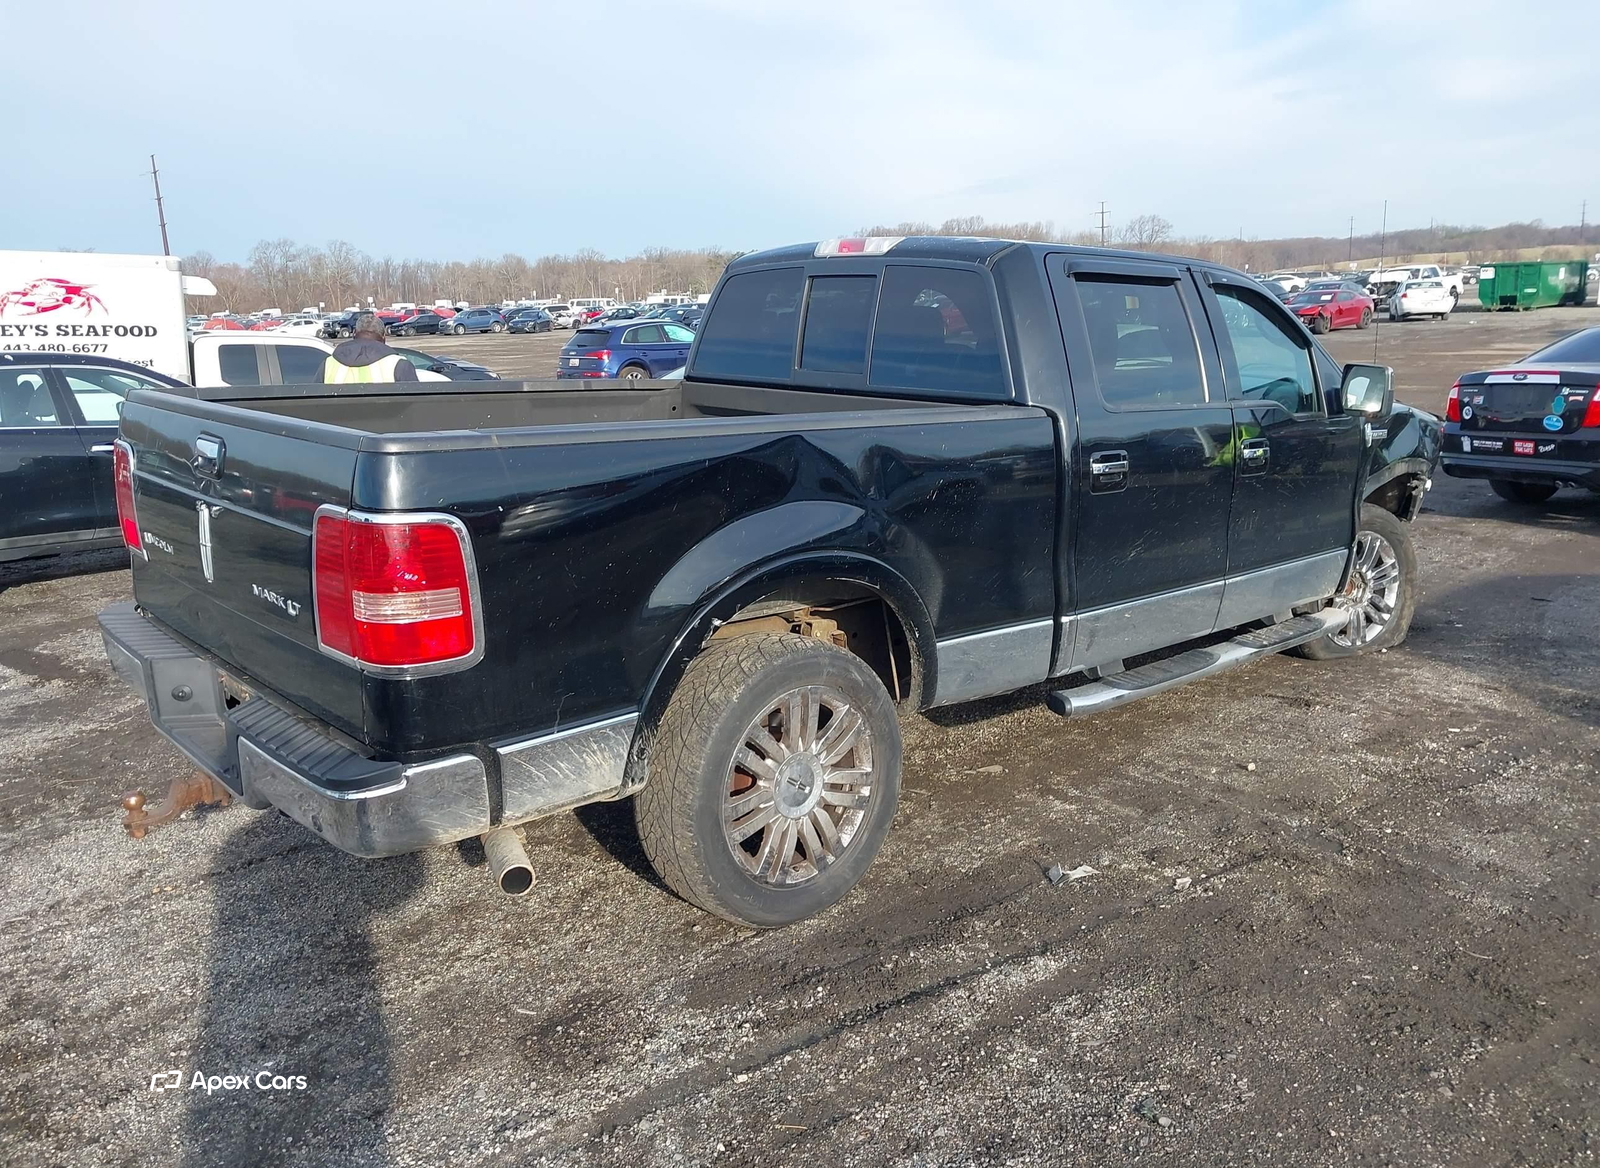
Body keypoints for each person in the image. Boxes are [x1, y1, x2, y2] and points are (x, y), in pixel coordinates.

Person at [319, 312, 418, 383]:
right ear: (384, 337)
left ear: (354, 334)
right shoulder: (399, 365)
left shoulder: (329, 364)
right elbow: (416, 407)